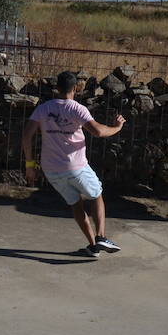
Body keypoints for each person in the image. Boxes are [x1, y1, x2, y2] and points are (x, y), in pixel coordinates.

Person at [22, 71, 127, 256]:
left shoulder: (43, 108)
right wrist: (117, 127)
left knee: (76, 204)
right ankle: (101, 237)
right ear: (76, 88)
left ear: (57, 88)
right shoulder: (77, 108)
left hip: (51, 170)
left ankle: (93, 247)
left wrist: (30, 165)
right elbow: (98, 131)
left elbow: (26, 136)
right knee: (96, 195)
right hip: (76, 167)